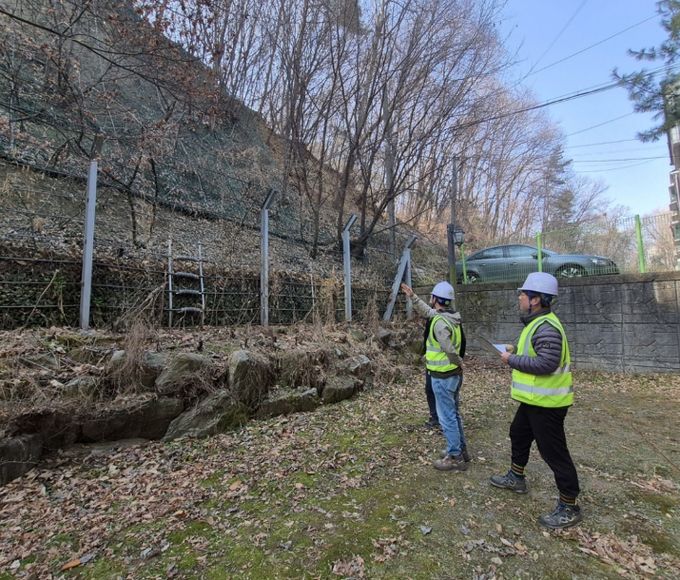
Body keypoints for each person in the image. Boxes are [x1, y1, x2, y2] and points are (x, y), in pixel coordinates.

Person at [489, 272, 582, 529]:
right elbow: (536, 351)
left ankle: (569, 505)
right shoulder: (536, 323)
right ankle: (516, 477)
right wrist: (514, 350)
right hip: (534, 400)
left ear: (536, 300)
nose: (519, 297)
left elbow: (546, 363)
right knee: (518, 433)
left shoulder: (546, 327)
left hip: (548, 404)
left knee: (554, 453)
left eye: (523, 294)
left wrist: (511, 360)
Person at [401, 281, 468, 471]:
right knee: (454, 413)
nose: (430, 299)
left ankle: (455, 456)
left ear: (436, 299)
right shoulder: (450, 317)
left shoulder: (439, 323)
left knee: (446, 417)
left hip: (443, 376)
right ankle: (460, 449)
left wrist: (458, 362)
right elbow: (428, 312)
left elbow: (448, 348)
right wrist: (413, 297)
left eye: (432, 296)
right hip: (452, 375)